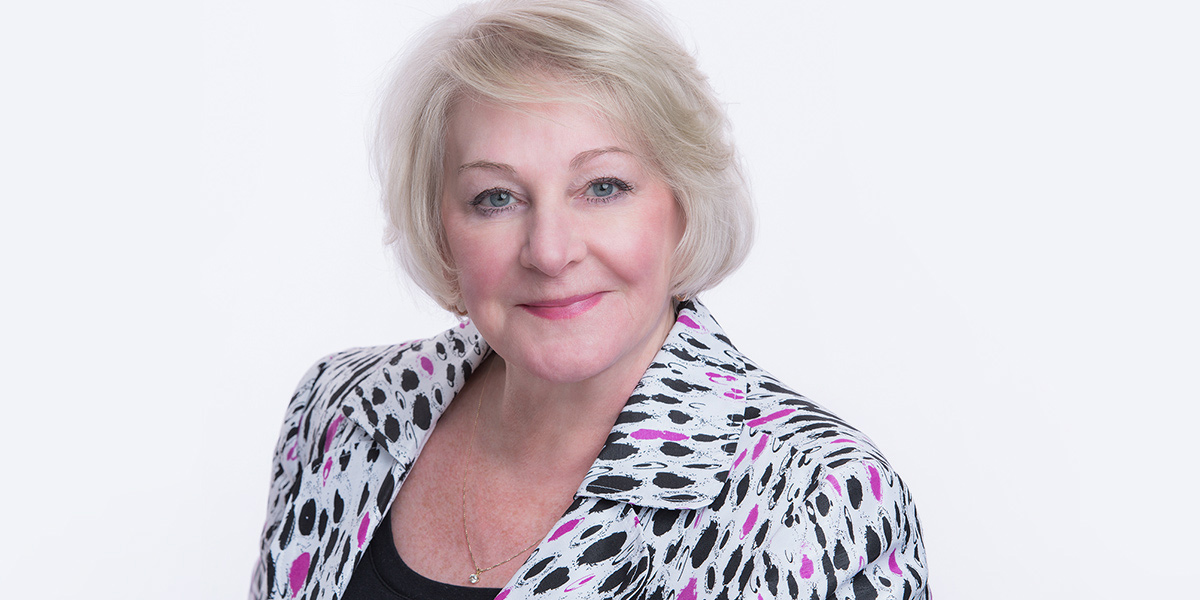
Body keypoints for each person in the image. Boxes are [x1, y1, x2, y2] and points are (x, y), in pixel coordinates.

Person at [249, 0, 929, 598]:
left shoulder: (818, 502)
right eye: (496, 198)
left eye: (602, 187)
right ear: (442, 228)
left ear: (683, 203)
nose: (549, 251)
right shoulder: (345, 411)